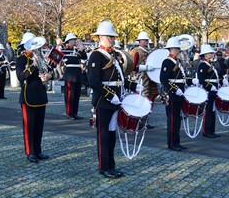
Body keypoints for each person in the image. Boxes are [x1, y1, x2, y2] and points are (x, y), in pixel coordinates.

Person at [87, 20, 139, 179]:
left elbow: (121, 79)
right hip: (103, 101)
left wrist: (134, 86)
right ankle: (104, 167)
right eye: (110, 36)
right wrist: (110, 95)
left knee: (111, 134)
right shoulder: (96, 55)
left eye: (113, 37)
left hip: (116, 101)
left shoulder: (114, 54)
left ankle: (111, 165)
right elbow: (94, 82)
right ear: (101, 37)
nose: (113, 39)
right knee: (103, 135)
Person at [16, 36, 52, 163]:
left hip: (41, 95)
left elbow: (49, 71)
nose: (36, 49)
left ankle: (38, 151)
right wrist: (32, 66)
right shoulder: (21, 59)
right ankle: (30, 152)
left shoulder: (41, 57)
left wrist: (48, 75)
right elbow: (20, 76)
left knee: (38, 126)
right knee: (29, 126)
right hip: (28, 96)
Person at [160, 36, 186, 151]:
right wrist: (175, 89)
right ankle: (171, 143)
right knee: (172, 120)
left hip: (179, 94)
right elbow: (163, 79)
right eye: (177, 48)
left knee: (177, 119)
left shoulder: (177, 61)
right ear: (172, 49)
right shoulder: (167, 62)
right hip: (172, 95)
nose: (179, 50)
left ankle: (177, 142)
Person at [130, 31, 159, 129]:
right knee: (142, 100)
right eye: (144, 40)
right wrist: (145, 68)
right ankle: (138, 121)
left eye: (147, 40)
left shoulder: (149, 51)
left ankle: (145, 121)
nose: (146, 42)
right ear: (140, 41)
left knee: (151, 99)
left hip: (151, 79)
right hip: (142, 79)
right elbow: (133, 67)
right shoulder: (136, 51)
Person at [62, 33, 87, 120]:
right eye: (72, 40)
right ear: (68, 41)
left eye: (74, 40)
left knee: (76, 95)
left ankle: (75, 113)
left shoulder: (77, 50)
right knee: (69, 95)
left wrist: (81, 50)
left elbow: (84, 58)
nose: (74, 42)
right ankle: (69, 113)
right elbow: (67, 60)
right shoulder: (65, 50)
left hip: (77, 74)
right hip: (70, 75)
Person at [197, 44, 221, 138]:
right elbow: (202, 80)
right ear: (205, 54)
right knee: (208, 111)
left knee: (212, 110)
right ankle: (206, 131)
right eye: (210, 53)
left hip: (213, 90)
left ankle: (212, 130)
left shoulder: (210, 64)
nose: (212, 54)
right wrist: (210, 87)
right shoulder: (202, 65)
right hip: (208, 90)